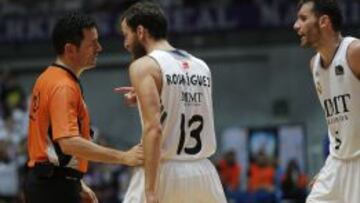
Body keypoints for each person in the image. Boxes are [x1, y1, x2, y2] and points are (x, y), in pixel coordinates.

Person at [24, 12, 143, 203]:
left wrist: (75, 180)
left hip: (50, 182)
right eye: (92, 44)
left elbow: (52, 145)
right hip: (54, 189)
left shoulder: (49, 77)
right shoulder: (63, 86)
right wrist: (124, 157)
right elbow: (69, 143)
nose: (99, 48)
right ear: (70, 49)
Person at [117, 2, 227, 203]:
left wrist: (150, 191)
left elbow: (154, 129)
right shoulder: (200, 65)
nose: (125, 43)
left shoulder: (143, 66)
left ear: (140, 31)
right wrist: (146, 96)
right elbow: (184, 101)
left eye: (126, 35)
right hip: (204, 172)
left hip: (164, 170)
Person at [294, 0, 360, 202]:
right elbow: (338, 123)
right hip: (337, 163)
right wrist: (332, 170)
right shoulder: (314, 65)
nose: (296, 26)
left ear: (323, 21)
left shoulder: (354, 52)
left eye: (303, 19)